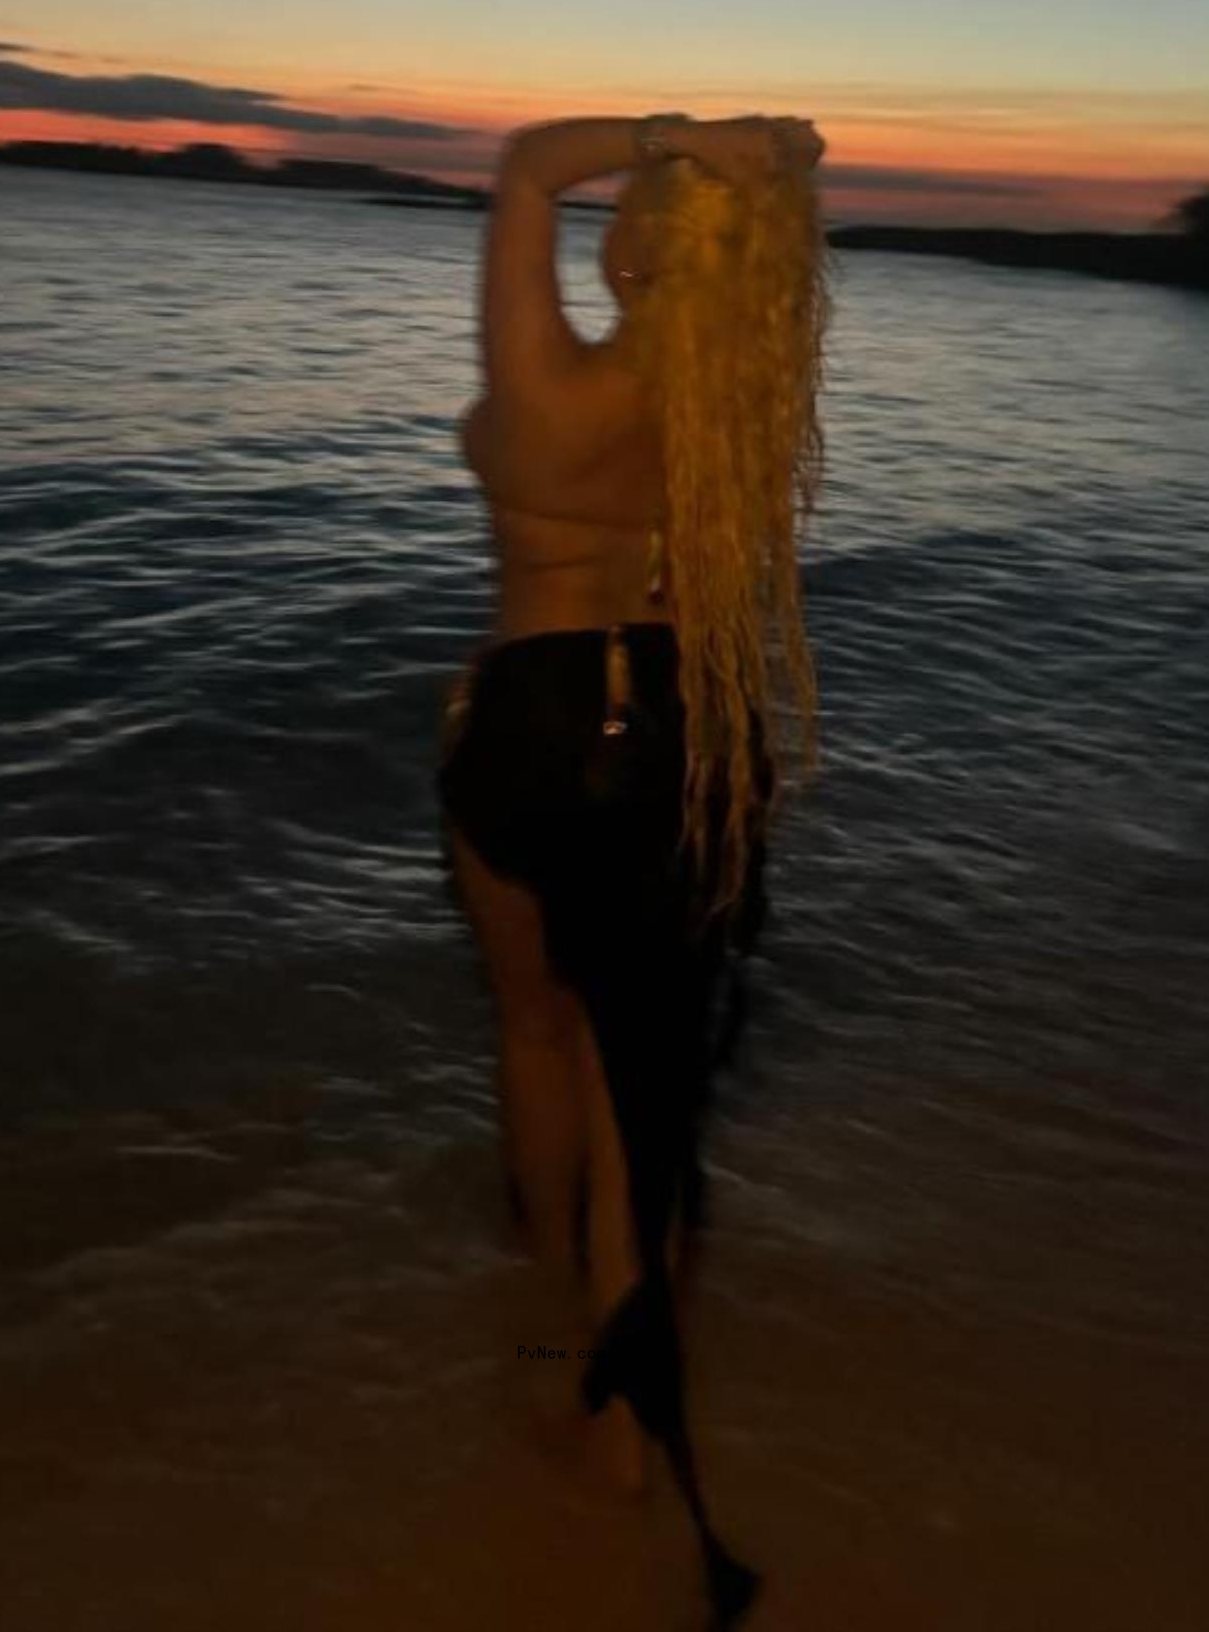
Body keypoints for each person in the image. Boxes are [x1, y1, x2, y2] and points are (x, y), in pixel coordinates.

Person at [436, 110, 831, 1630]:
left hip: (533, 724)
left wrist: (680, 132)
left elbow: (529, 158)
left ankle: (555, 1324)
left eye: (644, 201)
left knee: (537, 1024)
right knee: (641, 1087)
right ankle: (609, 1388)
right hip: (682, 729)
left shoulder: (554, 386)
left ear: (640, 237)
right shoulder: (744, 401)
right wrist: (759, 181)